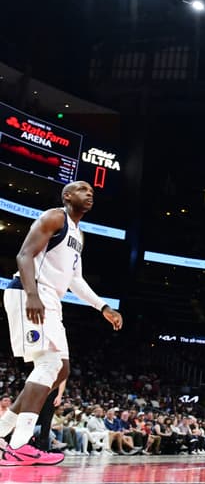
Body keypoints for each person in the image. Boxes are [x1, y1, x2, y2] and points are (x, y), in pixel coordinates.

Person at [0, 181, 122, 466]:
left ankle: (3, 433)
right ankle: (19, 445)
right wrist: (32, 295)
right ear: (67, 196)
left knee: (61, 369)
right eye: (82, 189)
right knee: (49, 364)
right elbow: (23, 255)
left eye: (92, 191)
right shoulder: (55, 217)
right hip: (31, 291)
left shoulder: (79, 234)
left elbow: (75, 280)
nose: (89, 193)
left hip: (51, 298)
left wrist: (102, 306)